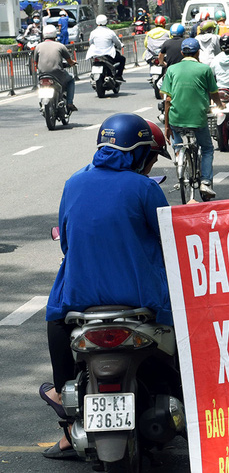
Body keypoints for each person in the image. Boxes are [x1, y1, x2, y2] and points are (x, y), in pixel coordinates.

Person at [40, 115, 172, 460]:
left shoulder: (74, 183)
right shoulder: (145, 188)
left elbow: (66, 241)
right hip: (140, 301)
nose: (151, 164)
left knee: (55, 320)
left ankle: (62, 402)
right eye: (152, 156)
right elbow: (170, 243)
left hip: (78, 301)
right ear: (138, 153)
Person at [161, 38, 224, 199]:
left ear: (182, 53)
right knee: (208, 148)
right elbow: (214, 93)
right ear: (197, 53)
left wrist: (166, 127)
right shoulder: (204, 69)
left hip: (175, 119)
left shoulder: (172, 70)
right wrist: (220, 105)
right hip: (198, 119)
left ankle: (179, 159)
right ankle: (205, 182)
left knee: (178, 143)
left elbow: (167, 100)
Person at [35, 25, 77, 112]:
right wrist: (73, 63)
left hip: (42, 75)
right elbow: (70, 61)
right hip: (58, 75)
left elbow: (36, 63)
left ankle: (42, 102)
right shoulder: (60, 46)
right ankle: (69, 103)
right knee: (71, 78)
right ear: (55, 35)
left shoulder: (38, 47)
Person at [87, 15, 126, 81]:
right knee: (122, 59)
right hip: (109, 54)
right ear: (106, 22)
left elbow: (91, 43)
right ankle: (119, 75)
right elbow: (117, 42)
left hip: (96, 54)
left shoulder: (93, 33)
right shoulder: (110, 32)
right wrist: (120, 46)